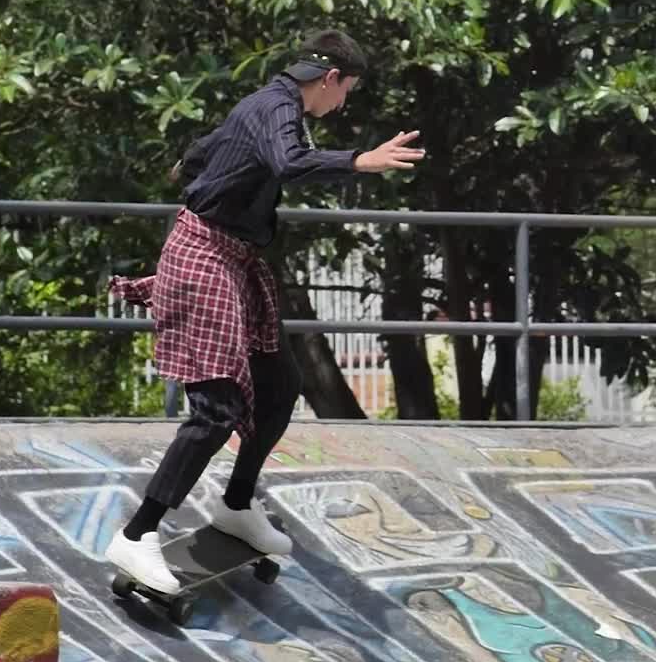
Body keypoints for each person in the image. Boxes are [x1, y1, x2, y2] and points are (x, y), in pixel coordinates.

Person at [104, 29, 424, 594]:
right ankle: (136, 534)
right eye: (346, 91)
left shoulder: (265, 106)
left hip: (235, 258)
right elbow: (288, 162)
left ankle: (235, 503)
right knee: (216, 410)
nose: (342, 103)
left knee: (280, 385)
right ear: (330, 79)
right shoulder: (277, 108)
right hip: (204, 256)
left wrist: (196, 164)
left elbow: (213, 146)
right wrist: (360, 160)